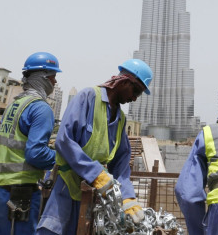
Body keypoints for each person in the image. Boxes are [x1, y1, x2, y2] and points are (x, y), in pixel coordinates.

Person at [36, 58, 153, 235]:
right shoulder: (87, 97)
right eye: (135, 90)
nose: (134, 98)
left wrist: (128, 197)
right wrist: (95, 173)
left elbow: (121, 163)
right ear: (123, 81)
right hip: (68, 187)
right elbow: (64, 140)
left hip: (95, 194)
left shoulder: (120, 118)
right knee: (53, 231)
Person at [0, 52, 60, 235]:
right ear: (42, 78)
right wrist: (61, 157)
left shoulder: (15, 105)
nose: (55, 82)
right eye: (53, 77)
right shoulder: (41, 108)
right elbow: (35, 153)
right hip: (21, 193)